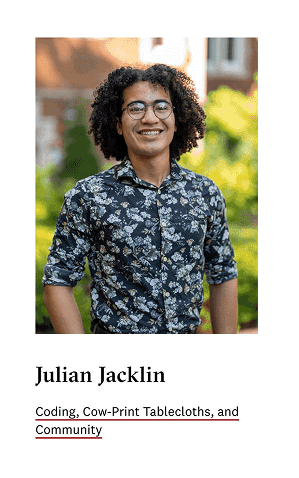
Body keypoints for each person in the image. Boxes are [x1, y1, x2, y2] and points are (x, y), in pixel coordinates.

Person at [42, 64, 239, 334]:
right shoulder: (89, 196)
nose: (150, 118)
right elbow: (58, 279)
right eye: (135, 108)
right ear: (118, 124)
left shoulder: (205, 193)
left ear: (176, 119)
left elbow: (223, 273)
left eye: (161, 107)